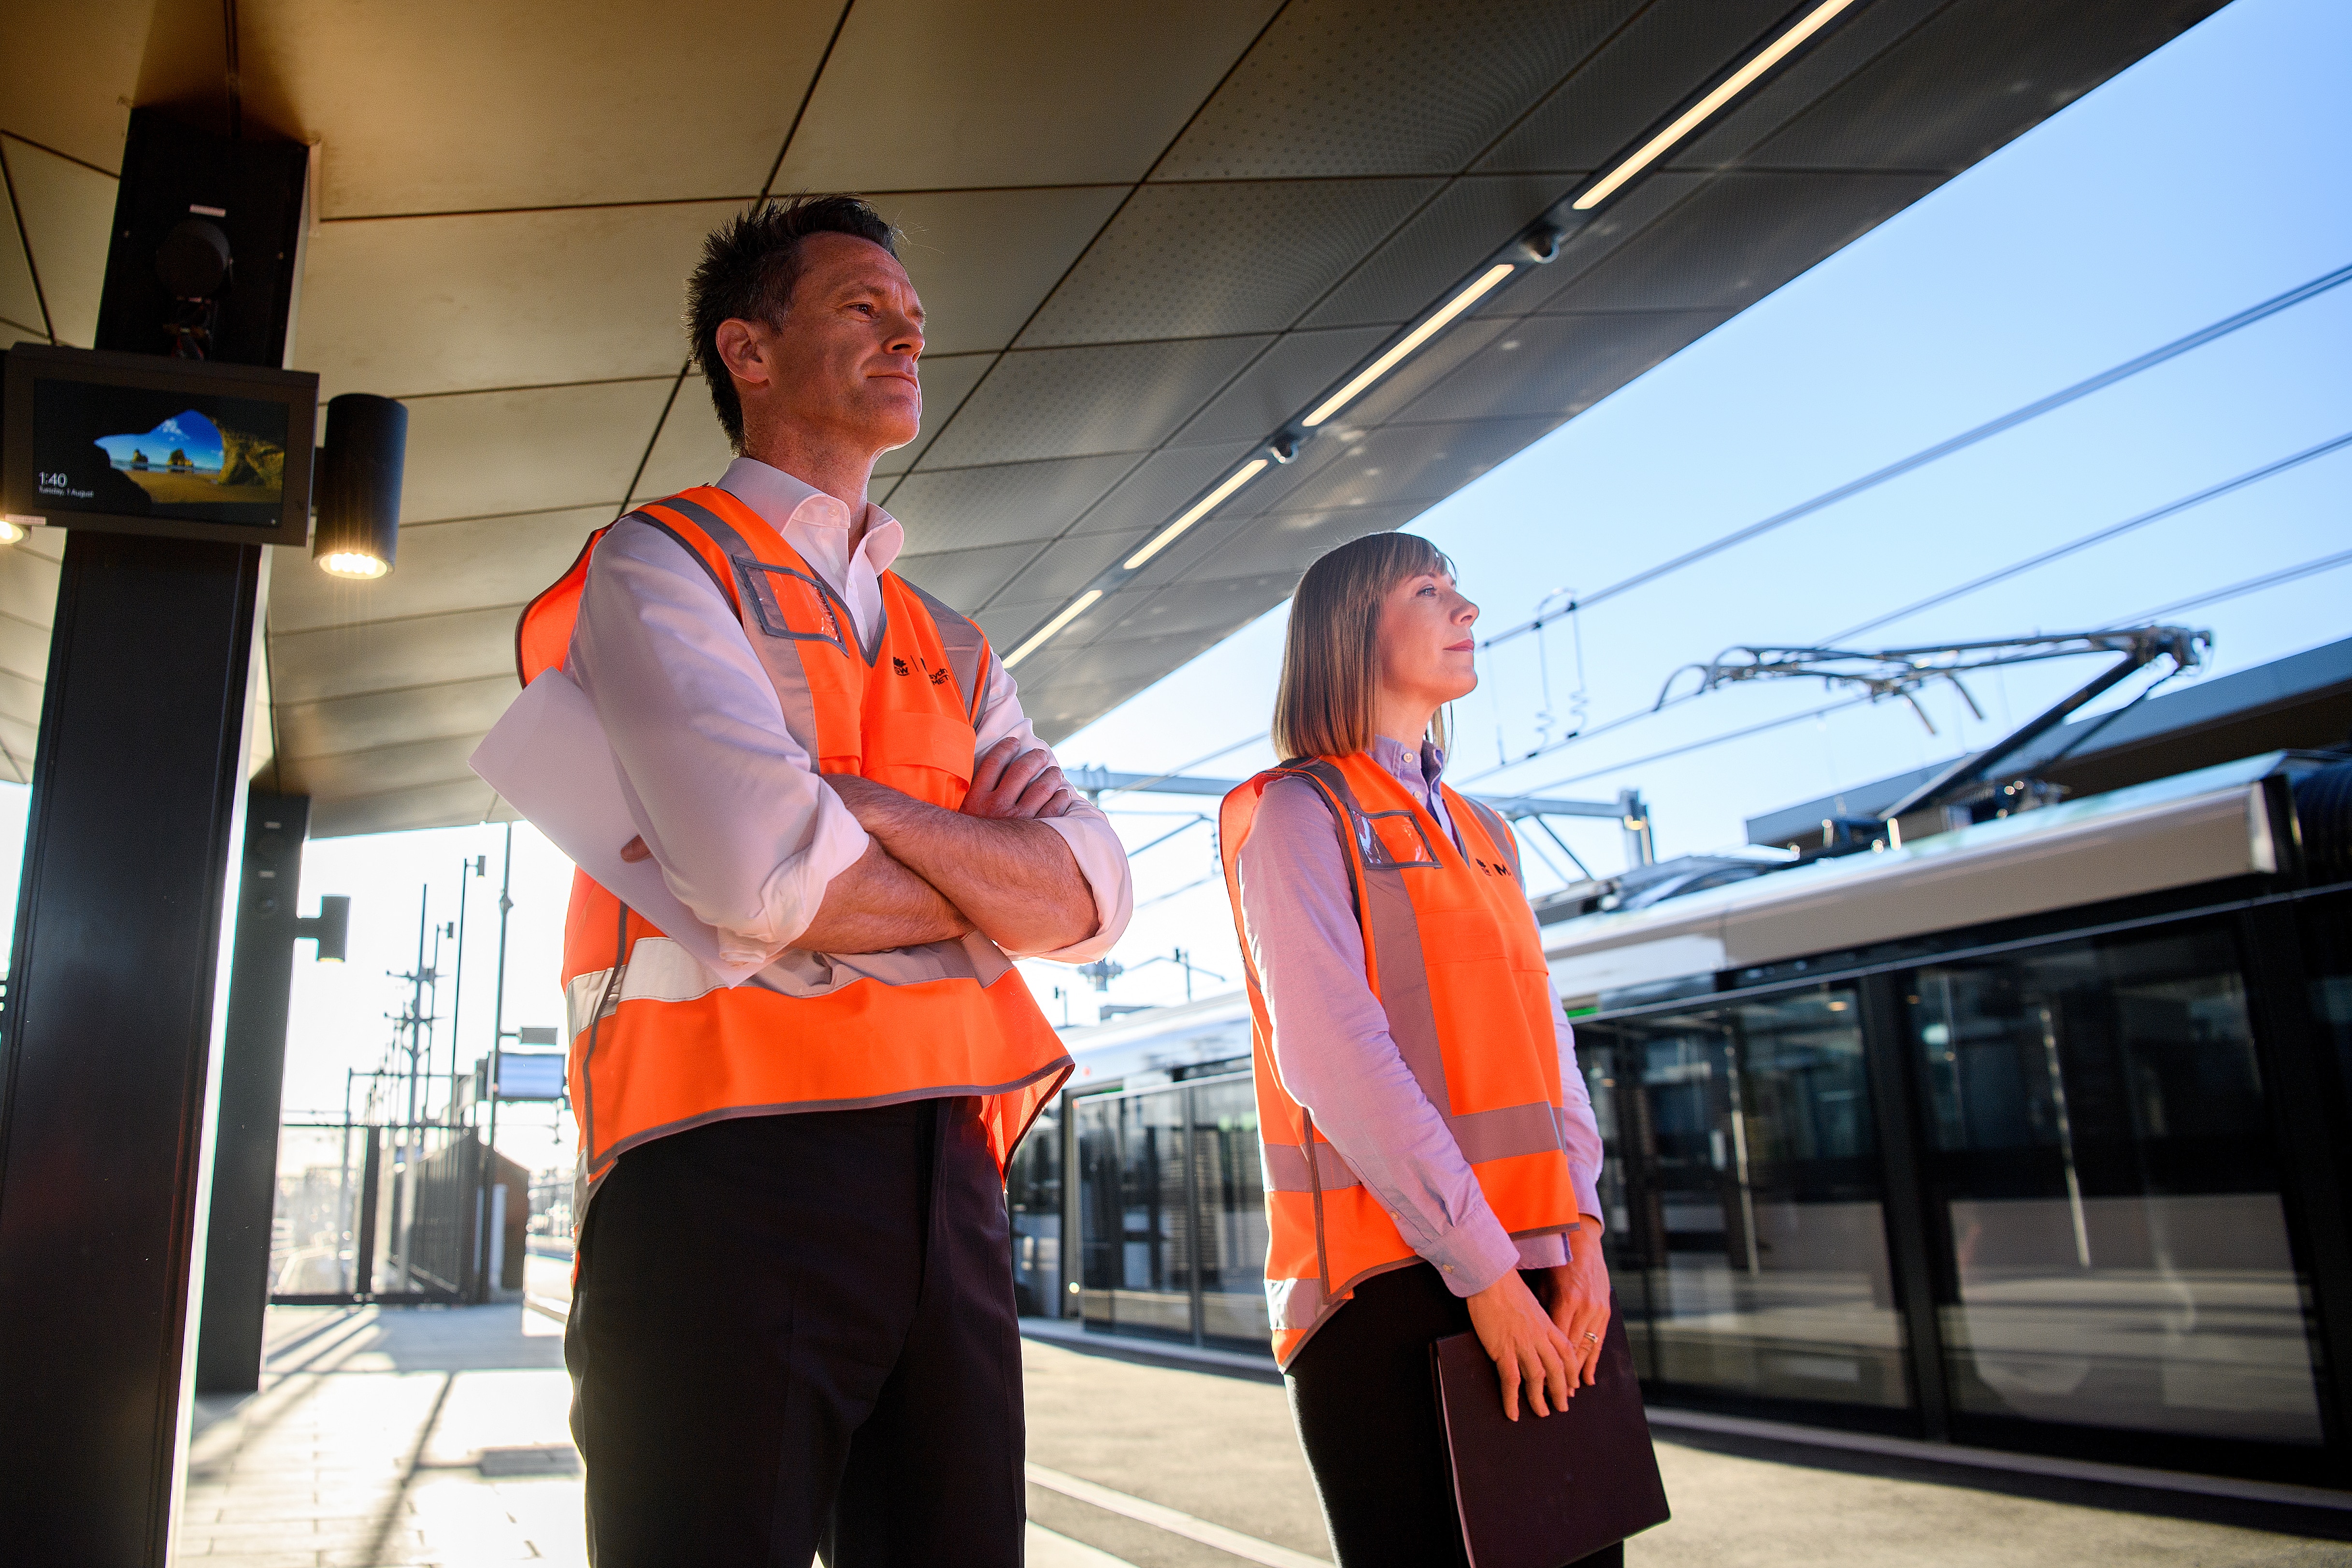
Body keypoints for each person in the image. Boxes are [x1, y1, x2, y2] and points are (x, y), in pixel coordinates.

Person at [515, 196, 1133, 1565]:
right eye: (863, 306)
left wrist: (863, 811)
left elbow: (1094, 897)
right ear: (747, 348)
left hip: (949, 1182)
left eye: (913, 316)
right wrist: (986, 879)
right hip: (723, 1171)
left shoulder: (951, 635)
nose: (908, 329)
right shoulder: (659, 562)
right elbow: (762, 876)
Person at [1219, 532, 1617, 1568]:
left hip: (1537, 1274)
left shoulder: (1487, 830)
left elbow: (1549, 1041)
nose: (1467, 608)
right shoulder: (1300, 815)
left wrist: (1585, 1234)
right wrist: (1484, 1273)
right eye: (1429, 589)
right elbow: (1333, 1056)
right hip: (1390, 1294)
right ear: (1351, 633)